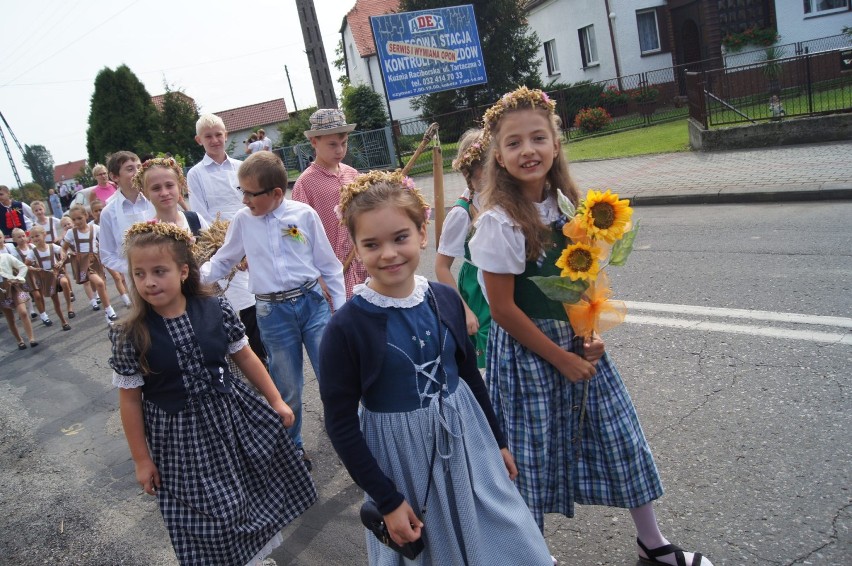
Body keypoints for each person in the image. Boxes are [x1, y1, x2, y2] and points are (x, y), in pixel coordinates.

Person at [468, 87, 713, 566]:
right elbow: (502, 310)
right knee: (530, 459)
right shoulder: (498, 221)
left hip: (577, 346)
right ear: (498, 154)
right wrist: (560, 357)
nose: (528, 150)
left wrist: (589, 333)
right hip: (529, 354)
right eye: (514, 143)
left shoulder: (567, 205)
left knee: (619, 435)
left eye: (538, 138)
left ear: (556, 144)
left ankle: (652, 542)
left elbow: (580, 282)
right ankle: (531, 555)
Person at [319, 170, 553, 565]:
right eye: (372, 244)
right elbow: (340, 423)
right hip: (402, 458)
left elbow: (469, 376)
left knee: (508, 531)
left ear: (422, 234)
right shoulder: (346, 328)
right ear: (356, 250)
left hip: (468, 441)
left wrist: (497, 442)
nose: (389, 253)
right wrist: (388, 499)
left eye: (400, 238)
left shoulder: (445, 299)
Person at [109, 221, 316, 565]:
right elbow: (130, 400)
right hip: (179, 441)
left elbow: (245, 356)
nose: (149, 282)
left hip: (231, 419)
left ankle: (250, 558)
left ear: (183, 270)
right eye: (140, 273)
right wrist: (142, 459)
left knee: (248, 495)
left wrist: (276, 400)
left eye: (159, 271)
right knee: (214, 515)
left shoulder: (214, 308)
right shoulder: (131, 333)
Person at [201, 151, 345, 470]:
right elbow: (224, 260)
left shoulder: (303, 215)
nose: (244, 201)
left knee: (333, 375)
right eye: (243, 192)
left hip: (312, 306)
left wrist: (343, 310)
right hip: (272, 313)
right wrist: (192, 279)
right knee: (287, 385)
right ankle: (292, 447)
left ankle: (350, 435)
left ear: (276, 193)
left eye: (251, 194)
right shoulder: (243, 222)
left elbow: (329, 266)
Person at [187, 113, 266, 365]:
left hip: (250, 239)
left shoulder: (240, 167)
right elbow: (201, 213)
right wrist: (228, 248)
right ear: (199, 140)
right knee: (228, 304)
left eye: (218, 134)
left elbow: (251, 204)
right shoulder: (196, 174)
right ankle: (231, 358)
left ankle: (260, 357)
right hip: (219, 245)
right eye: (208, 136)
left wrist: (248, 245)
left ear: (226, 135)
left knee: (255, 302)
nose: (214, 140)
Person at [292, 108, 366, 299]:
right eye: (332, 144)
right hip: (332, 271)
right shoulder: (305, 183)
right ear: (314, 142)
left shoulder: (352, 174)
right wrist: (317, 275)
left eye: (344, 143)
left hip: (362, 262)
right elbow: (296, 233)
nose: (340, 150)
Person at [435, 128, 491, 368]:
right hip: (478, 289)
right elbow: (441, 267)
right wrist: (464, 310)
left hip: (504, 279)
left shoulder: (501, 196)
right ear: (471, 171)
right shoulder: (461, 212)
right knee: (490, 350)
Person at [62, 204, 117, 323]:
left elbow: (105, 242)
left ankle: (108, 317)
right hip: (83, 262)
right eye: (74, 219)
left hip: (96, 259)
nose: (77, 221)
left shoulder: (95, 228)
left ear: (86, 216)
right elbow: (63, 248)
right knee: (100, 283)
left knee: (103, 287)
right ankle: (109, 308)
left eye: (79, 218)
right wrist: (67, 253)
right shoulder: (71, 233)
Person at [136, 158, 207, 236]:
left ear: (179, 186)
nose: (164, 193)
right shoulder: (147, 233)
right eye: (156, 188)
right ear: (145, 193)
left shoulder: (196, 220)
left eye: (169, 185)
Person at [25, 225, 71, 331]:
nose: (35, 239)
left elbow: (63, 252)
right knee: (56, 301)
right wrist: (35, 269)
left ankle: (69, 307)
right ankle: (63, 321)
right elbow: (26, 265)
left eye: (37, 236)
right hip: (47, 278)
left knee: (64, 282)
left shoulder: (52, 247)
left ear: (44, 235)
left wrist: (60, 261)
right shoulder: (32, 252)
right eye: (33, 237)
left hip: (57, 273)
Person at [6, 228, 51, 326]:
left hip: (37, 273)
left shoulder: (31, 246)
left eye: (23, 236)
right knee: (35, 295)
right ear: (14, 239)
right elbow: (16, 265)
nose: (22, 238)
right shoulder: (15, 252)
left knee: (40, 294)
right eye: (19, 237)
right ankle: (41, 315)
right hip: (27, 276)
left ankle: (43, 312)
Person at [0, 247, 37, 350]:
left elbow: (23, 267)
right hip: (1, 292)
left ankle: (31, 339)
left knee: (23, 312)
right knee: (10, 318)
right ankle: (19, 340)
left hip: (13, 287)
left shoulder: (5, 257)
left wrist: (18, 278)